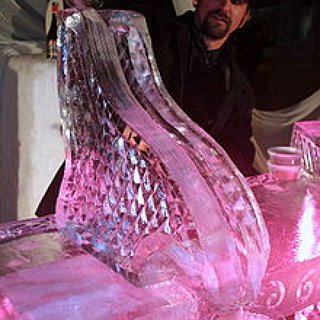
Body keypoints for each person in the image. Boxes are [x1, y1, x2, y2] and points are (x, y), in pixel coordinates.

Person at [36, 0, 255, 216]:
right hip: (99, 191)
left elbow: (239, 151)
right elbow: (109, 13)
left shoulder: (239, 87)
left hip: (163, 212)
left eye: (237, 2)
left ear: (245, 18)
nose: (224, 6)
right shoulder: (154, 29)